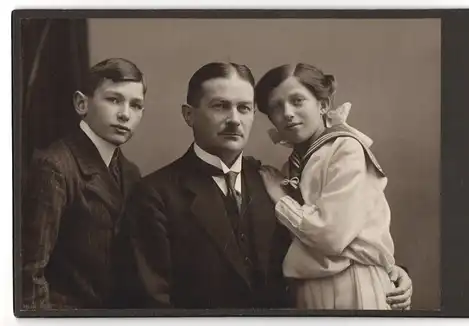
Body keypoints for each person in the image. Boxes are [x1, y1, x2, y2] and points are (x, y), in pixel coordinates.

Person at [117, 62, 412, 310]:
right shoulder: (155, 192)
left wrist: (390, 270)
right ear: (189, 114)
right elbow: (152, 300)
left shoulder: (270, 180)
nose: (234, 120)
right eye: (221, 106)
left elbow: (332, 235)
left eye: (244, 108)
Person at [255, 63, 408, 310]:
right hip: (308, 290)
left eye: (297, 101)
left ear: (323, 105)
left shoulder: (346, 149)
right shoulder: (292, 166)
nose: (288, 113)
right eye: (276, 107)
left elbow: (332, 236)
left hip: (352, 285)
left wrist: (280, 197)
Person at [21, 58, 146, 310]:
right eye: (113, 100)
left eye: (136, 105)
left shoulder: (131, 172)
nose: (125, 114)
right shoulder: (55, 166)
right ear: (81, 103)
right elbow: (30, 273)